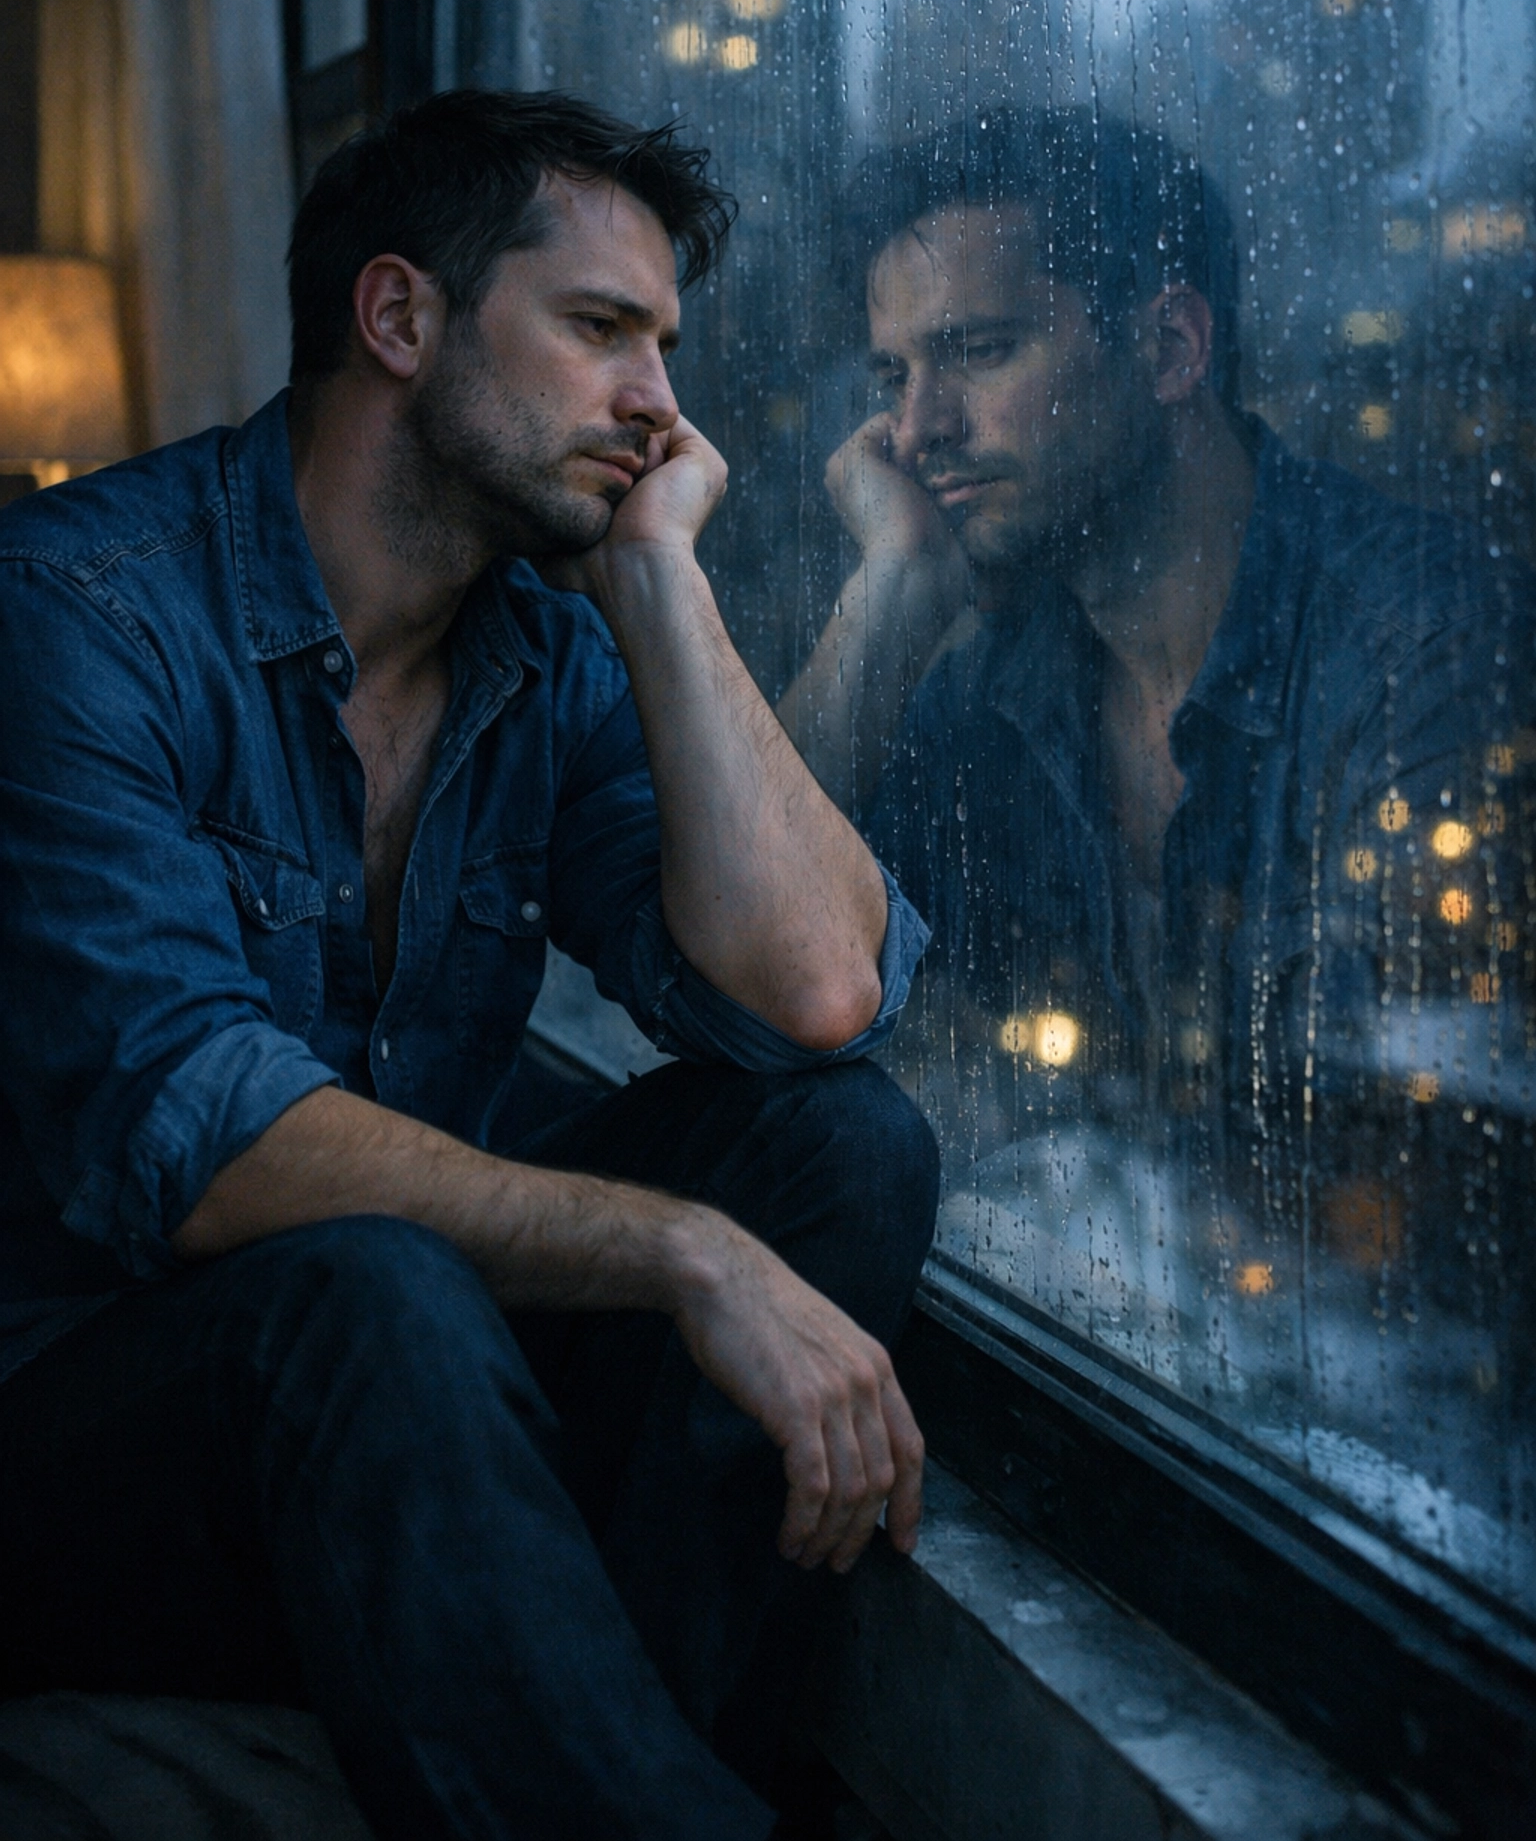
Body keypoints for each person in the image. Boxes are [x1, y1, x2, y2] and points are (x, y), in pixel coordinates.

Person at [0, 90, 938, 1841]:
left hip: (396, 1401)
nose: (659, 405)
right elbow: (200, 1133)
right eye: (601, 330)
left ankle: (617, 1771)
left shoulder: (541, 656)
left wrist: (661, 588)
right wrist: (683, 1250)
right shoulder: (70, 614)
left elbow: (811, 993)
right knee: (367, 1284)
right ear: (399, 317)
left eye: (665, 347)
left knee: (842, 1142)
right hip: (74, 1428)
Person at [779, 107, 1535, 1289]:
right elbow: (749, 973)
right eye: (895, 375)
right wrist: (886, 601)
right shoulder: (1003, 685)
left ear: (1172, 349)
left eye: (979, 351)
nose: (917, 431)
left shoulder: (1426, 649)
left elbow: (1442, 1180)